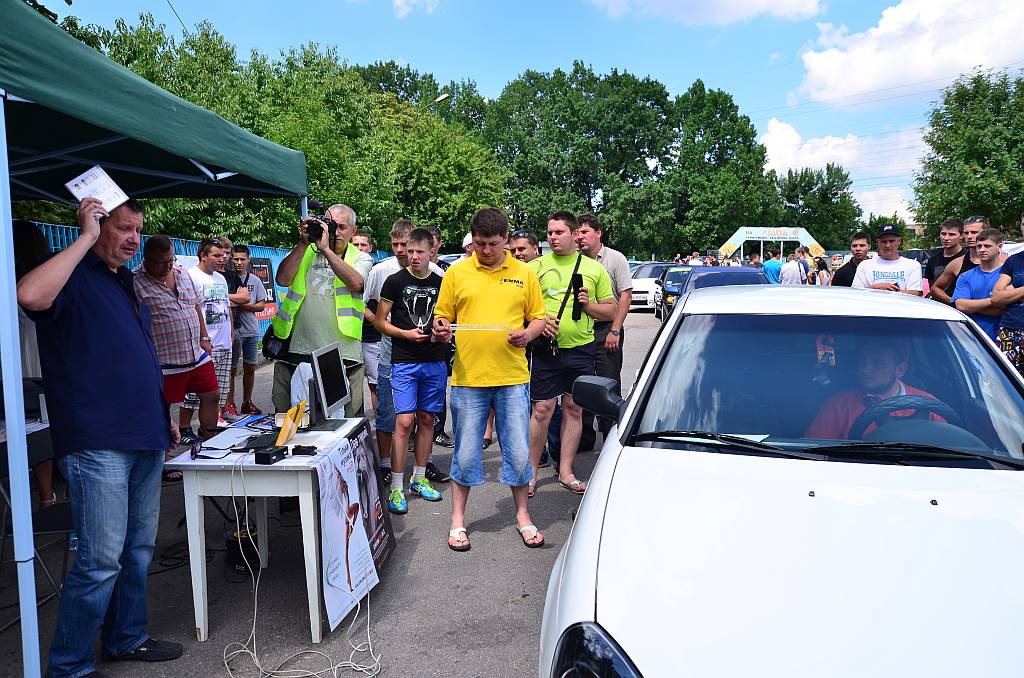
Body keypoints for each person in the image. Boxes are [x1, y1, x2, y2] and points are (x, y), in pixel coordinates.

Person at [18, 198, 183, 676]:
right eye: (123, 228)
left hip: (144, 432)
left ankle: (126, 637)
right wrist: (85, 238)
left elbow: (137, 356)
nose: (134, 239)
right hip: (97, 440)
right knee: (100, 560)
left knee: (138, 549)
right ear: (96, 225)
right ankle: (69, 665)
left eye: (138, 229)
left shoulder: (123, 279)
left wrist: (162, 414)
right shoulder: (71, 273)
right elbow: (29, 295)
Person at [432, 207, 549, 551]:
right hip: (469, 378)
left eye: (493, 244)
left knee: (518, 452)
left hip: (512, 377)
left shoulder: (524, 273)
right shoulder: (457, 272)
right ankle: (457, 521)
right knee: (466, 453)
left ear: (506, 240)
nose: (485, 250)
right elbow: (442, 317)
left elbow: (538, 318)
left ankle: (523, 516)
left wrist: (528, 335)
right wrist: (441, 328)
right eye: (479, 243)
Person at [527, 212, 616, 497]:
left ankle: (566, 471)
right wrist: (538, 323)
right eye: (550, 232)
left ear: (575, 234)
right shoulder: (535, 267)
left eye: (559, 232)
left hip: (581, 348)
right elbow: (519, 308)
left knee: (574, 408)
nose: (553, 237)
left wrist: (588, 306)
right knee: (542, 409)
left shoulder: (593, 268)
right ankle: (530, 473)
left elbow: (611, 310)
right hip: (546, 349)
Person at [365, 220, 448, 484]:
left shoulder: (442, 280)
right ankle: (395, 481)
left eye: (418, 251)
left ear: (431, 251)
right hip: (400, 359)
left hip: (434, 358)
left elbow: (449, 317)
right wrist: (404, 334)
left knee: (427, 419)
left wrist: (444, 330)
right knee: (401, 420)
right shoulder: (391, 278)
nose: (411, 255)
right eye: (408, 250)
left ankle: (420, 476)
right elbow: (378, 320)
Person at [272, 204, 372, 417]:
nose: (335, 232)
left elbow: (356, 283)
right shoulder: (306, 251)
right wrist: (303, 243)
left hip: (344, 353)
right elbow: (282, 279)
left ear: (353, 231)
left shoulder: (360, 257)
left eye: (341, 227)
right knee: (291, 417)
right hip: (298, 349)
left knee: (345, 419)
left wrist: (326, 250)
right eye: (331, 225)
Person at [133, 236, 218, 481]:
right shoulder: (136, 282)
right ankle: (165, 457)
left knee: (211, 394)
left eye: (170, 260)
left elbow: (195, 305)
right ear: (147, 259)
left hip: (195, 353)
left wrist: (204, 337)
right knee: (162, 407)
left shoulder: (181, 272)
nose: (167, 266)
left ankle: (210, 443)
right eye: (161, 262)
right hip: (165, 360)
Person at [574, 213, 632, 450]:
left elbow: (625, 296)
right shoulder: (574, 259)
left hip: (608, 327)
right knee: (583, 383)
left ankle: (611, 435)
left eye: (585, 232)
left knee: (609, 382)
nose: (580, 237)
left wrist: (615, 330)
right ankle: (585, 438)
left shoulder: (614, 258)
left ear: (598, 233)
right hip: (582, 329)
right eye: (577, 233)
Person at [806, 340, 943, 439]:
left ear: (901, 369)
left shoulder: (928, 405)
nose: (865, 370)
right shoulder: (838, 405)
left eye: (877, 363)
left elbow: (950, 445)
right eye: (863, 362)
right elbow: (814, 454)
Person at [13, 220, 55, 509]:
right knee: (48, 425)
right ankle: (54, 497)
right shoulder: (47, 279)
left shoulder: (10, 282)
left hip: (18, 363)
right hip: (44, 359)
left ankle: (46, 496)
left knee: (31, 428)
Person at [178, 238, 234, 440]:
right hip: (203, 344)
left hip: (224, 342)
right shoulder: (191, 276)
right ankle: (184, 427)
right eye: (216, 255)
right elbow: (190, 309)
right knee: (194, 392)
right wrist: (202, 338)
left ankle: (208, 429)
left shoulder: (221, 278)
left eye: (224, 255)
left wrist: (231, 331)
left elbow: (227, 306)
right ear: (203, 255)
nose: (222, 259)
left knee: (216, 392)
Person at [224, 244, 267, 416]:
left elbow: (261, 305)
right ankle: (230, 403)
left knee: (250, 368)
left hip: (251, 330)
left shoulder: (255, 281)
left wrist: (242, 304)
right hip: (233, 331)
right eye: (236, 259)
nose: (239, 262)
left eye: (242, 259)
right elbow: (225, 303)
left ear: (249, 260)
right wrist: (241, 301)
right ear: (231, 259)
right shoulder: (226, 279)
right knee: (231, 369)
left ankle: (247, 402)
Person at [952, 228, 1006, 341]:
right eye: (979, 246)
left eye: (987, 246)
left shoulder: (1009, 274)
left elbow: (1004, 309)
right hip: (972, 337)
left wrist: (973, 306)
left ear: (1000, 246)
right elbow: (961, 306)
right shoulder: (965, 276)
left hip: (1002, 337)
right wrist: (994, 300)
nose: (982, 250)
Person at [352, 231, 382, 415]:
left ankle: (381, 423)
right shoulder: (341, 268)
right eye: (355, 245)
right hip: (349, 337)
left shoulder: (377, 271)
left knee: (376, 384)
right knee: (349, 386)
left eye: (363, 245)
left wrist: (374, 320)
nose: (359, 248)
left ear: (370, 247)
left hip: (373, 337)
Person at [991, 213, 1024, 372]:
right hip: (1010, 329)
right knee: (1005, 379)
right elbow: (996, 297)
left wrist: (1012, 293)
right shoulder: (1013, 260)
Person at [851, 224, 922, 295]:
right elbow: (855, 293)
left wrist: (884, 291)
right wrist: (876, 288)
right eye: (884, 242)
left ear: (899, 241)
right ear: (878, 242)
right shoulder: (864, 265)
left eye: (891, 241)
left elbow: (916, 293)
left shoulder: (913, 265)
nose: (888, 245)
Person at [930, 216, 986, 304]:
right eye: (966, 233)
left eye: (974, 232)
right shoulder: (957, 263)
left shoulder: (1003, 261)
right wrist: (955, 302)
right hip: (961, 310)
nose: (969, 236)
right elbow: (935, 288)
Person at [924, 218, 965, 298]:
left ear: (961, 236)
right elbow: (932, 287)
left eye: (951, 234)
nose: (946, 238)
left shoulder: (967, 257)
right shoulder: (933, 259)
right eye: (943, 234)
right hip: (939, 303)